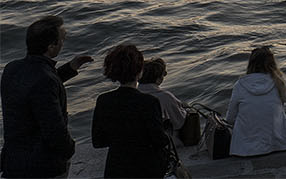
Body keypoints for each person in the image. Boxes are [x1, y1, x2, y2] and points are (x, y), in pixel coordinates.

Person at [1, 15, 93, 178]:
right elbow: (53, 129)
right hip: (41, 167)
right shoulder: (45, 80)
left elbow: (33, 86)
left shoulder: (12, 69)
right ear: (51, 47)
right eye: (62, 39)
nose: (63, 43)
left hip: (14, 162)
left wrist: (70, 68)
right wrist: (69, 149)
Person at [90, 43, 168, 179]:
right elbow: (160, 140)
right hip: (147, 169)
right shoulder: (149, 102)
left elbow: (98, 141)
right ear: (139, 71)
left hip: (116, 169)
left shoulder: (103, 100)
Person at [225, 46, 286, 157]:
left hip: (246, 148)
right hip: (278, 144)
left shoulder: (239, 85)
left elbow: (230, 119)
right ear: (272, 64)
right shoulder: (279, 82)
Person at [135, 58, 186, 133]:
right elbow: (179, 122)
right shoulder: (165, 97)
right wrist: (184, 110)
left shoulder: (131, 96)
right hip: (162, 141)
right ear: (158, 79)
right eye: (163, 74)